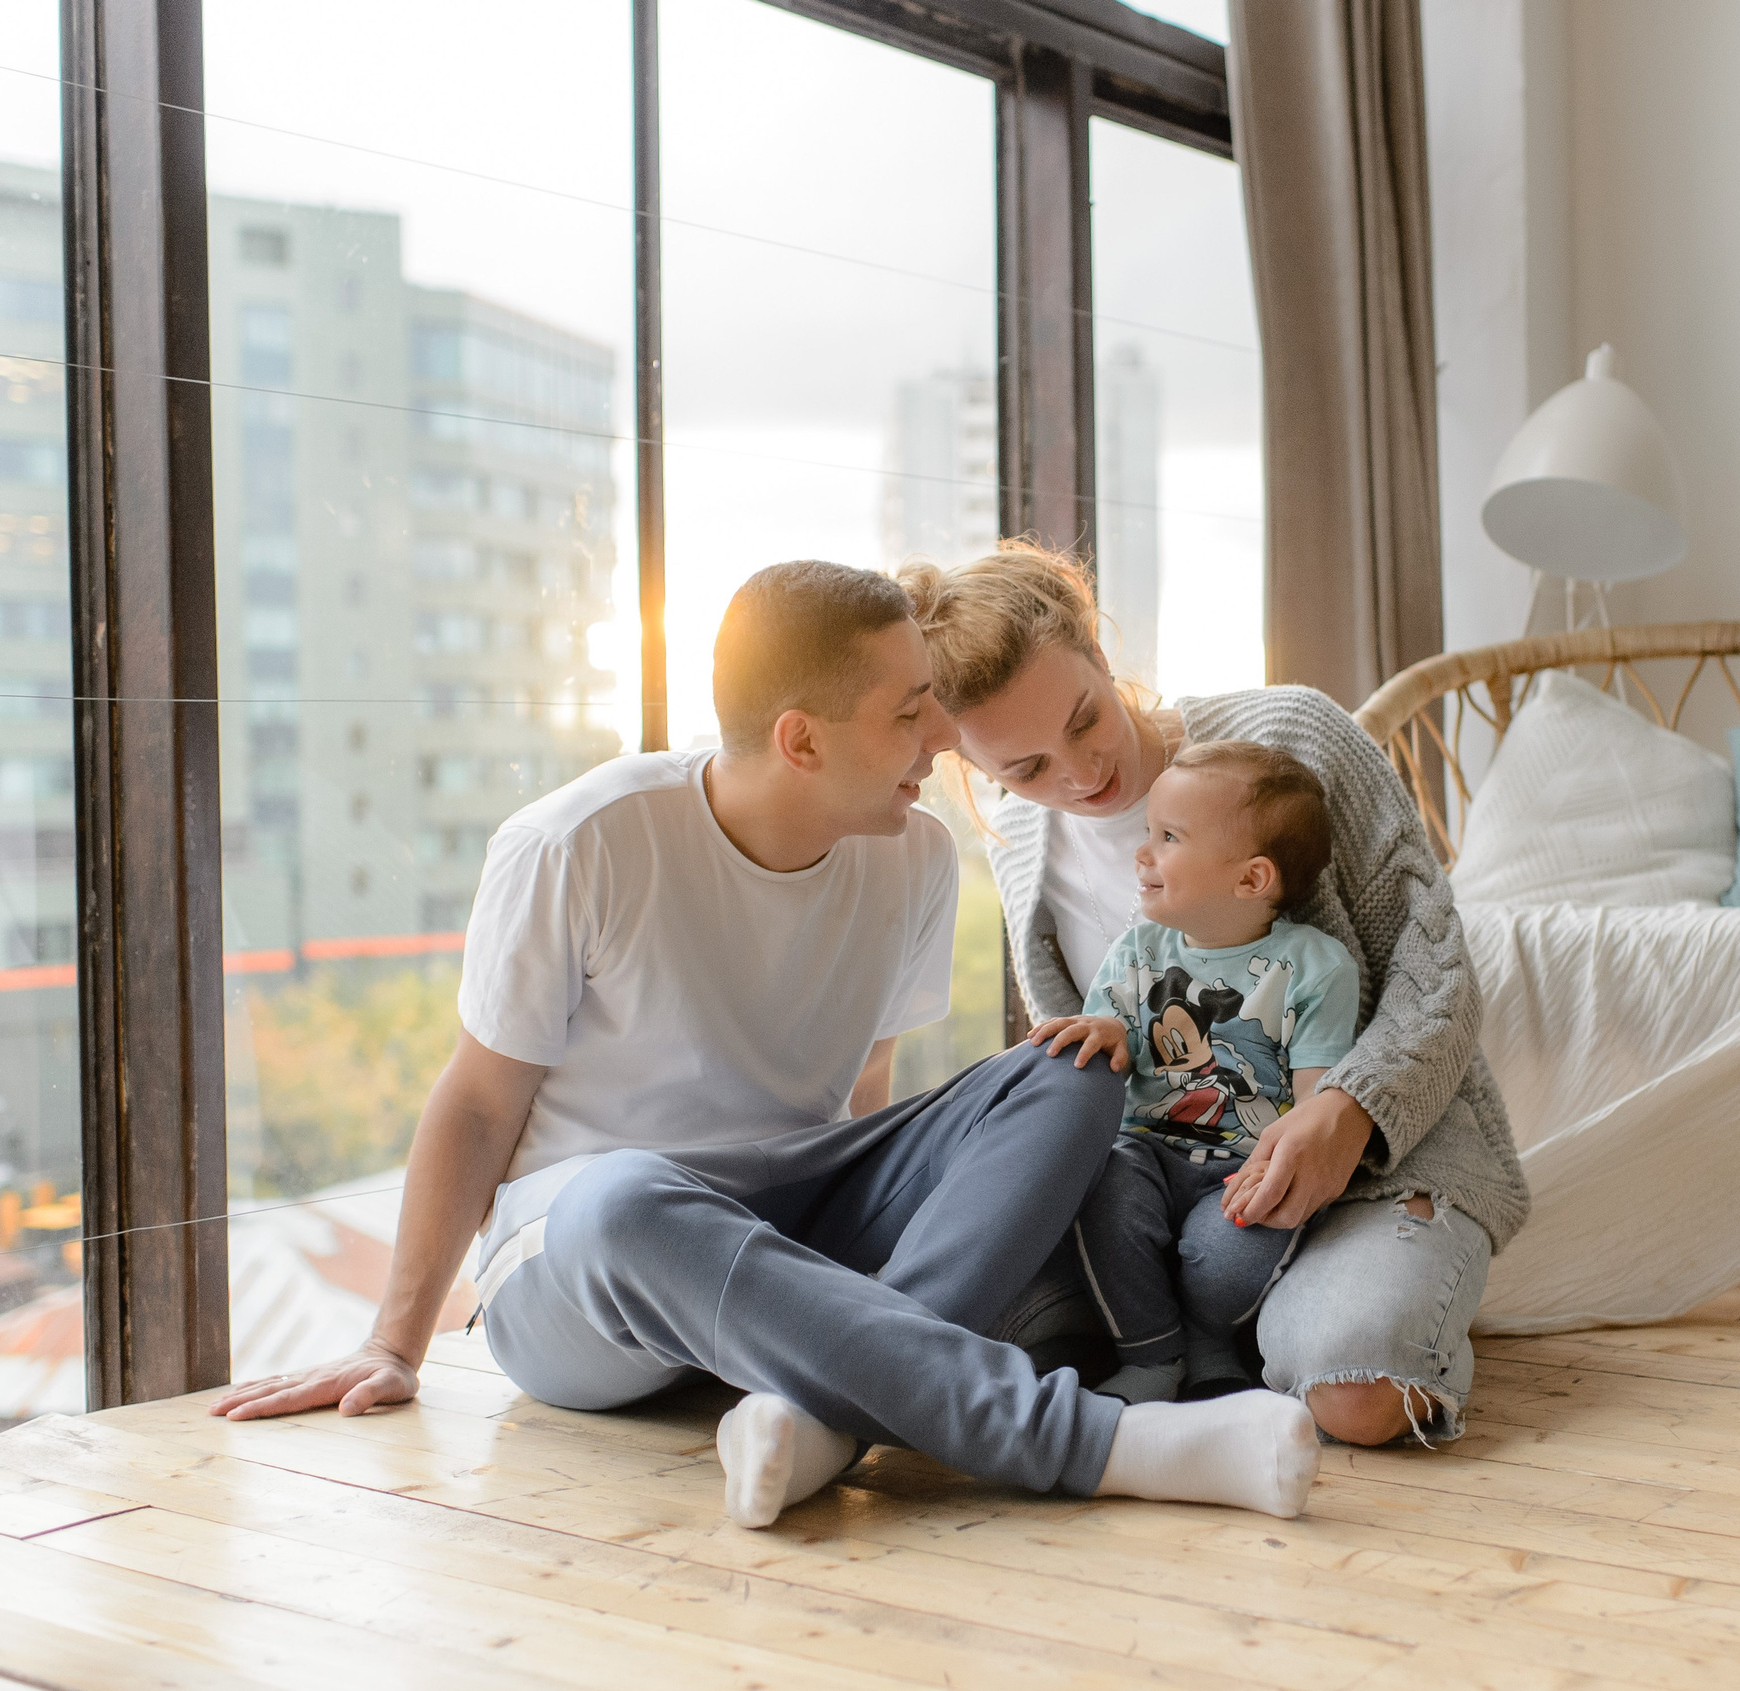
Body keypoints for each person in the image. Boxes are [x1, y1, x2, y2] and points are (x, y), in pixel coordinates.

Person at [210, 560, 1321, 1527]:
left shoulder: (916, 858)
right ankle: (1102, 1447)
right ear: (800, 738)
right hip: (586, 1259)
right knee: (626, 1197)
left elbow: (863, 1103)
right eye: (909, 712)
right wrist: (394, 1345)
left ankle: (832, 1415)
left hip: (790, 1213)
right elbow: (478, 1104)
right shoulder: (576, 842)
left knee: (1067, 1073)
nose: (942, 741)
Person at [901, 546, 1530, 1447]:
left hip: (1375, 1165)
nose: (1080, 774)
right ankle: (1208, 1335)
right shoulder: (1018, 848)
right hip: (1158, 1193)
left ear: (1099, 649)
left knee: (1357, 1391)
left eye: (1086, 718)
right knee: (952, 1341)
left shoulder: (1293, 737)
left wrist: (1347, 1113)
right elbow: (1089, 1043)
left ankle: (1313, 1313)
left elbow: (1439, 973)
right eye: (1027, 769)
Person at [1031, 740, 1360, 1407]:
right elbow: (1111, 1043)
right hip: (1145, 1154)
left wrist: (1279, 1169)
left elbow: (1315, 1101)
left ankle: (1209, 1342)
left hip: (1242, 1168)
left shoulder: (1317, 967)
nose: (1142, 853)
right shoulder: (1137, 949)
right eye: (1148, 833)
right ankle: (1151, 1353)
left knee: (1230, 1256)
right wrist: (1102, 1031)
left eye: (1169, 837)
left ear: (1251, 880)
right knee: (1104, 1197)